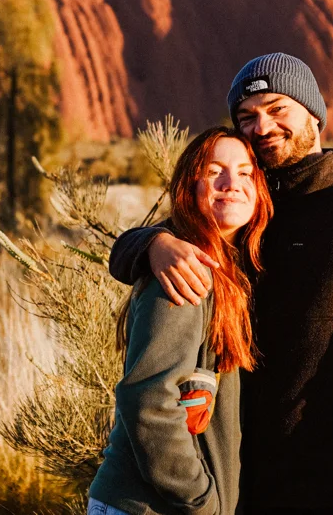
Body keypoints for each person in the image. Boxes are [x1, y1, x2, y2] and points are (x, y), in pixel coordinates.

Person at [109, 53, 333, 515]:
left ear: (314, 114)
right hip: (234, 486)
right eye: (247, 117)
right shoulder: (243, 209)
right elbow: (125, 251)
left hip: (331, 490)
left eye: (277, 109)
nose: (261, 127)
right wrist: (154, 243)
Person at [89, 127, 274, 515]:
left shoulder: (231, 267)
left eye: (245, 173)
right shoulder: (188, 272)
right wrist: (201, 502)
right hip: (151, 507)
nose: (231, 183)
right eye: (214, 172)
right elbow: (150, 401)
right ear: (190, 187)